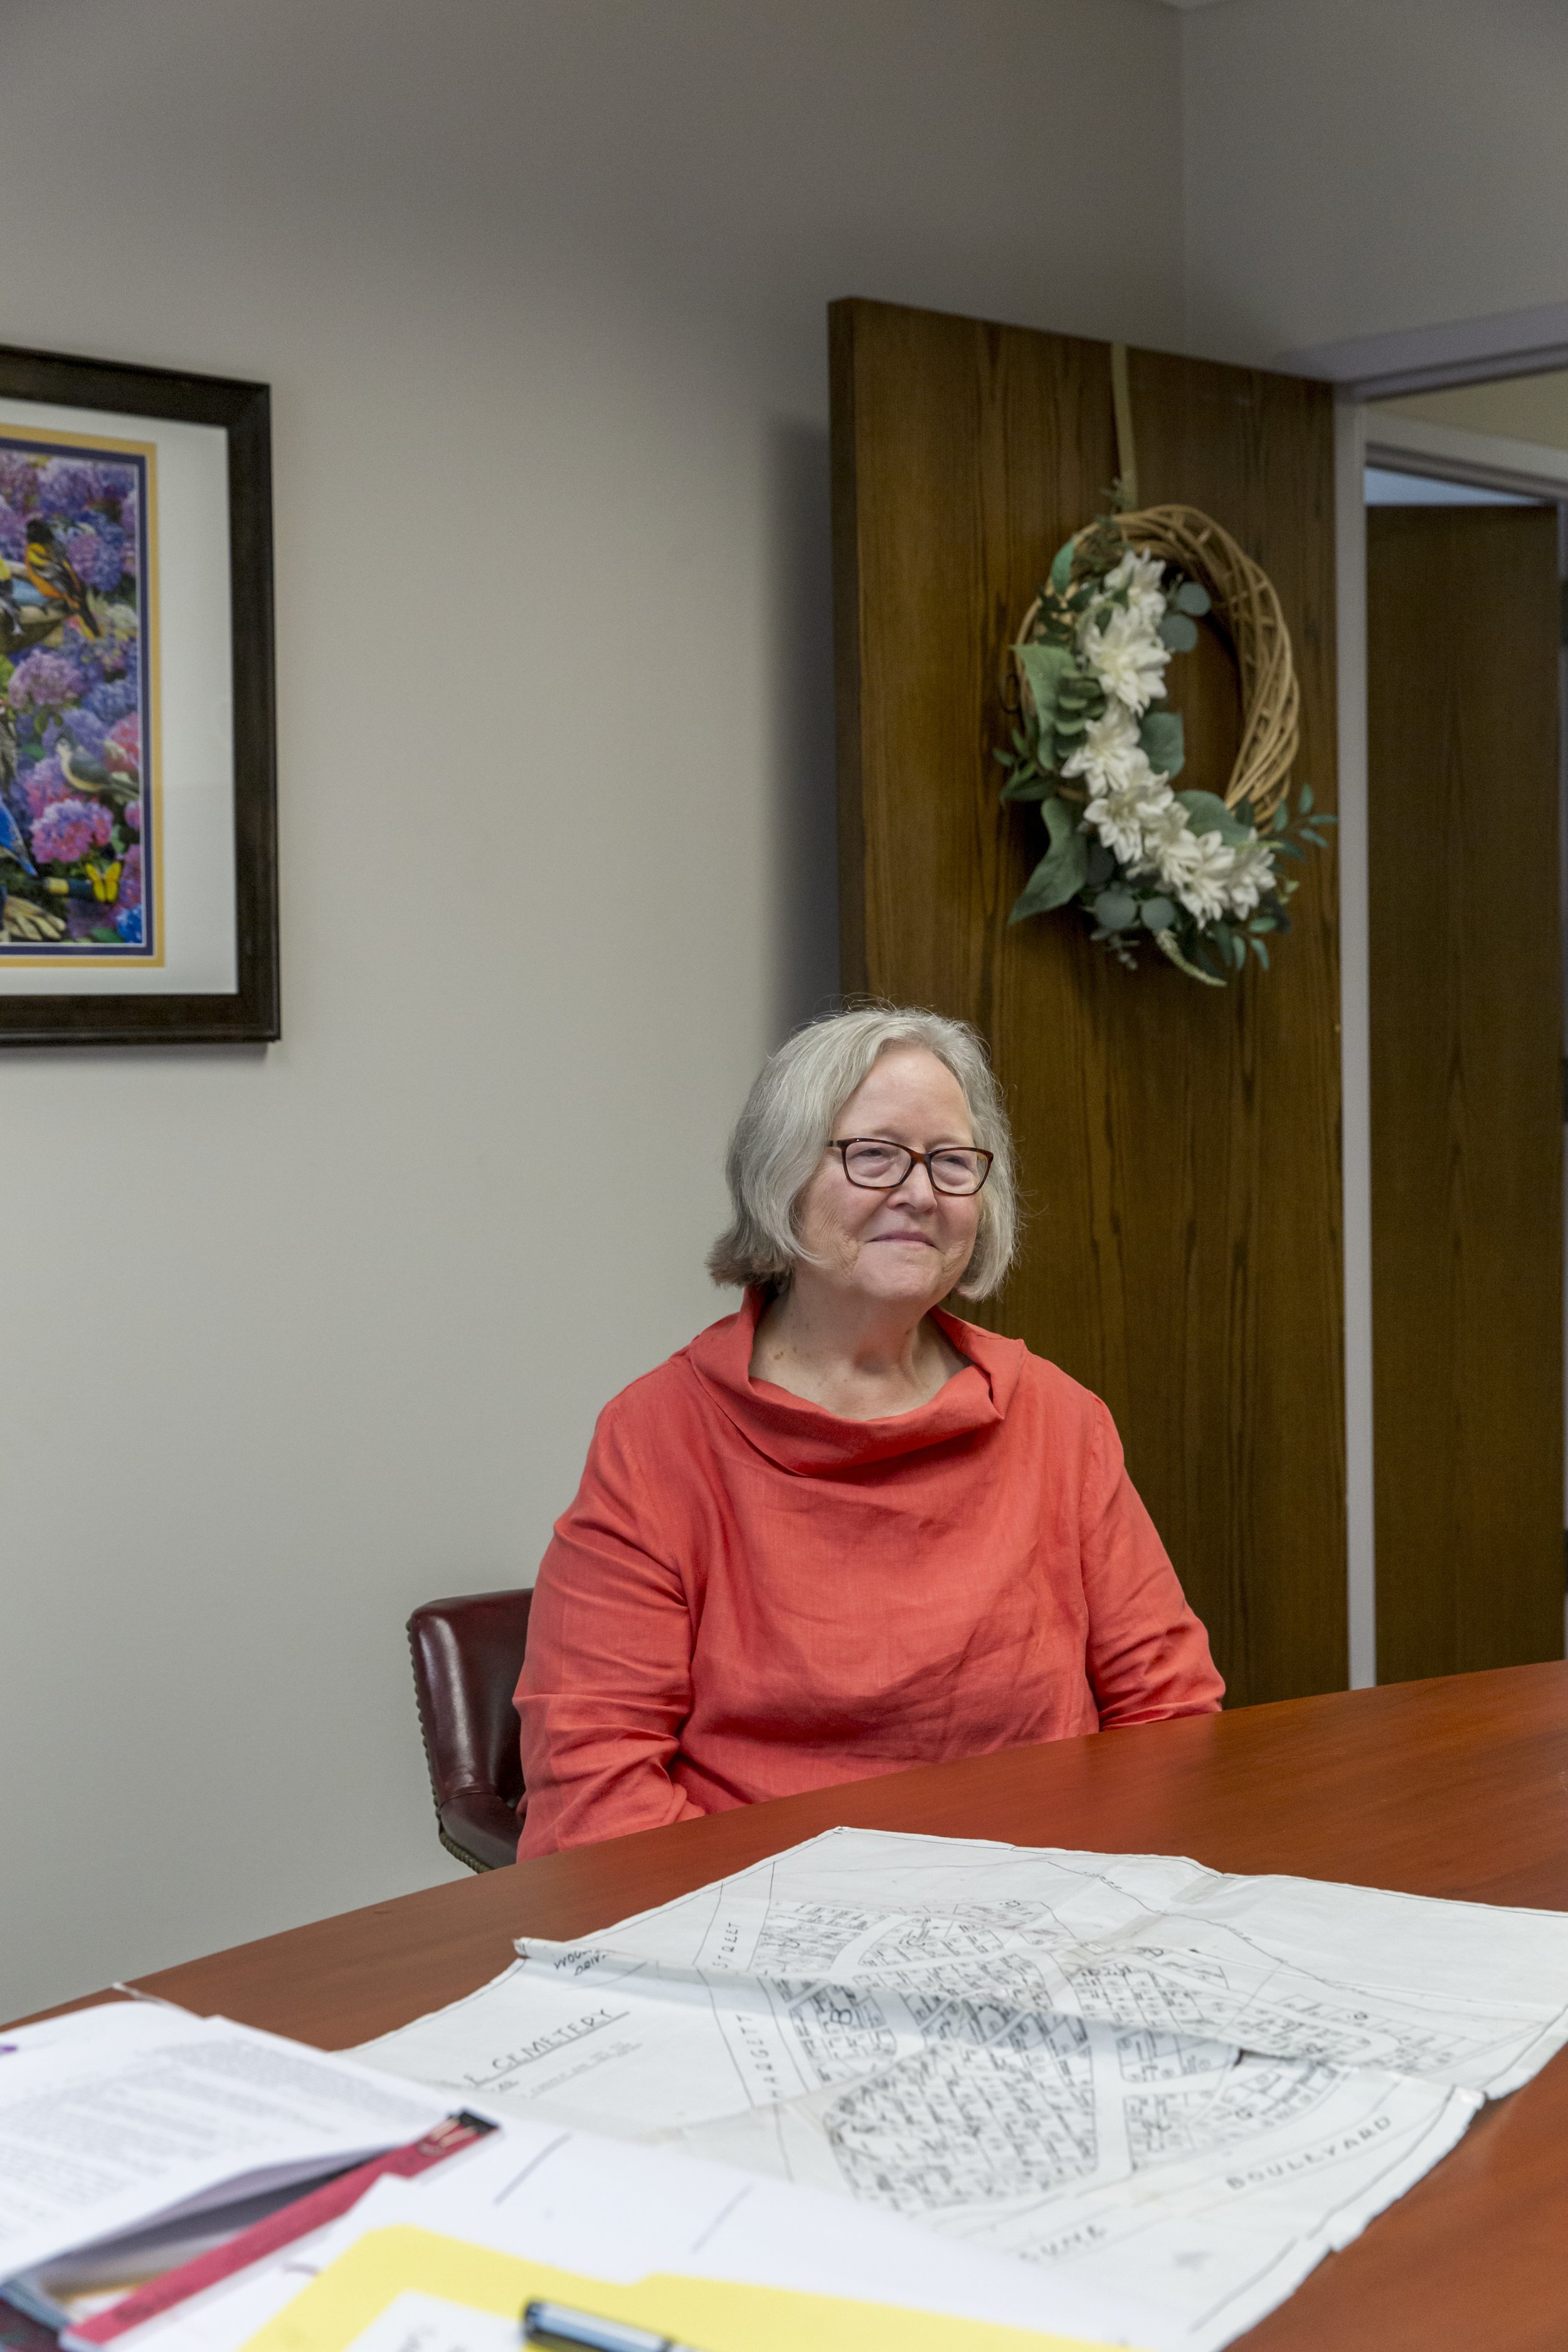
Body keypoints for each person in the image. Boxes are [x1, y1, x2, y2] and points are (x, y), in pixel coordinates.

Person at [515, 1005, 1222, 1856]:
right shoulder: (658, 1435)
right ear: (780, 1178)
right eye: (874, 1154)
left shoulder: (1062, 1420)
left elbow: (1170, 1717)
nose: (920, 1192)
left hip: (1047, 1916)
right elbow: (597, 1787)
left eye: (952, 1162)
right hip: (758, 1941)